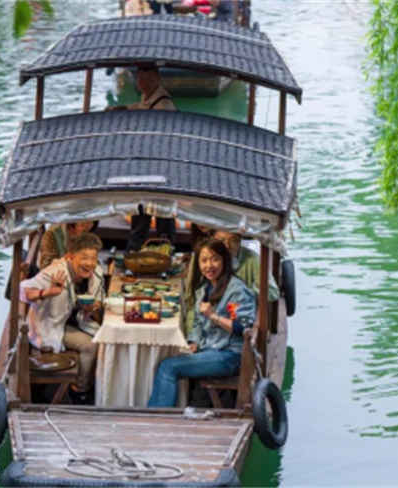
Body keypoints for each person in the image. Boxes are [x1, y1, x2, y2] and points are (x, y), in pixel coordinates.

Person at [147, 238, 255, 407]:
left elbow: (242, 327)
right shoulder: (204, 289)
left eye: (215, 259)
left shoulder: (236, 291)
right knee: (165, 359)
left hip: (229, 356)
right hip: (209, 349)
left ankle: (157, 417)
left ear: (224, 261)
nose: (209, 265)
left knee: (168, 367)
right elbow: (198, 322)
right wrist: (194, 342)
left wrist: (213, 316)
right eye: (204, 260)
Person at [21, 233, 105, 397]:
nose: (89, 263)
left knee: (104, 340)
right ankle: (80, 390)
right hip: (49, 326)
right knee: (91, 345)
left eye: (93, 258)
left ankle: (94, 383)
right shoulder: (55, 272)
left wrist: (93, 308)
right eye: (84, 258)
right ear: (71, 256)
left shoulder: (96, 273)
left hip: (76, 322)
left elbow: (99, 302)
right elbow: (23, 291)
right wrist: (47, 292)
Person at [108, 67, 177, 251]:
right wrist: (120, 109)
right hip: (146, 169)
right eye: (139, 78)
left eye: (145, 78)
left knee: (162, 218)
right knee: (140, 217)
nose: (141, 82)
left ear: (156, 78)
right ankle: (136, 253)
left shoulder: (164, 105)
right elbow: (139, 108)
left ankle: (164, 252)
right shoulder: (149, 99)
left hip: (160, 171)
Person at [181, 230, 278, 334]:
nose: (226, 245)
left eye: (233, 240)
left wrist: (240, 294)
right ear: (212, 239)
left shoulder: (252, 259)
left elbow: (272, 292)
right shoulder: (202, 258)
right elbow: (190, 298)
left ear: (240, 240)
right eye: (221, 240)